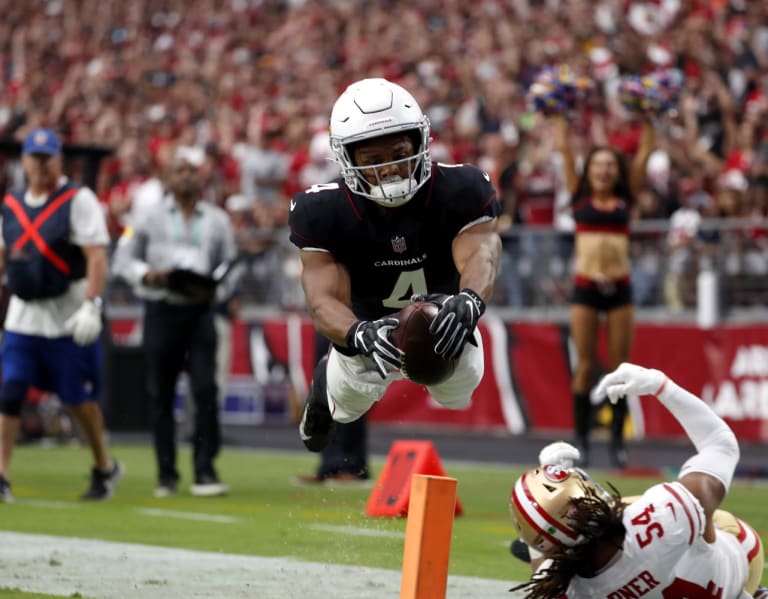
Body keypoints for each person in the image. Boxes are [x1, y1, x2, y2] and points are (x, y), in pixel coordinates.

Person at [288, 77, 501, 452]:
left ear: (420, 143)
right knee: (349, 404)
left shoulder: (460, 188)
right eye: (372, 161)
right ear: (346, 159)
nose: (390, 168)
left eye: (399, 152)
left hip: (442, 320)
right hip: (367, 325)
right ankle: (327, 382)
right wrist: (357, 334)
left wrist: (469, 300)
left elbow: (481, 251)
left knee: (458, 389)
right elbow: (322, 300)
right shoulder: (322, 211)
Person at [508, 362, 767, 599]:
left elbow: (544, 569)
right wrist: (661, 386)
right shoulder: (662, 516)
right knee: (699, 517)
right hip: (736, 572)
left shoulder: (563, 589)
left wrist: (540, 540)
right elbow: (720, 444)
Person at [0, 127, 123, 502]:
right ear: (23, 161)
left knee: (77, 400)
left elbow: (96, 256)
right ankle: (1, 473)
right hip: (24, 317)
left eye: (47, 158)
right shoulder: (12, 203)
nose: (40, 166)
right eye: (34, 158)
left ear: (58, 160)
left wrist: (92, 304)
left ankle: (104, 465)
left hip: (68, 317)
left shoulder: (78, 199)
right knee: (10, 390)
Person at [111, 146, 238, 498]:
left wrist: (217, 289)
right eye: (178, 170)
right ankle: (166, 474)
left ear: (200, 178)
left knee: (205, 390)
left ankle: (205, 470)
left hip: (199, 310)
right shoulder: (146, 216)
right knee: (161, 393)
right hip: (162, 308)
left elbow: (231, 264)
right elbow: (122, 258)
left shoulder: (217, 219)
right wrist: (146, 274)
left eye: (190, 170)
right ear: (166, 179)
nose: (185, 175)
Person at [553, 113, 656, 468]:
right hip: (585, 288)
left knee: (619, 368)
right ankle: (581, 438)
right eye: (598, 163)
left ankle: (617, 441)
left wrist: (649, 115)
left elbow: (645, 153)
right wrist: (559, 114)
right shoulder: (579, 198)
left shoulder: (627, 199)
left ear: (617, 171)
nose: (604, 169)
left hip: (620, 291)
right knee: (584, 367)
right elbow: (564, 147)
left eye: (610, 164)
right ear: (589, 170)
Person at [295, 333, 371, 485]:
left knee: (349, 388)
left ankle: (352, 467)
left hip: (351, 320)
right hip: (326, 320)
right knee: (324, 383)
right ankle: (329, 467)